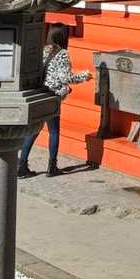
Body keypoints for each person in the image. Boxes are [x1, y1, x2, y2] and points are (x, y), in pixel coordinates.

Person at [17, 23, 91, 177]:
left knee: (34, 129)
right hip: (52, 97)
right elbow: (66, 78)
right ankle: (52, 167)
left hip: (40, 94)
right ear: (63, 36)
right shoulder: (63, 53)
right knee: (54, 131)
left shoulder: (43, 50)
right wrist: (85, 76)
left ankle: (21, 165)